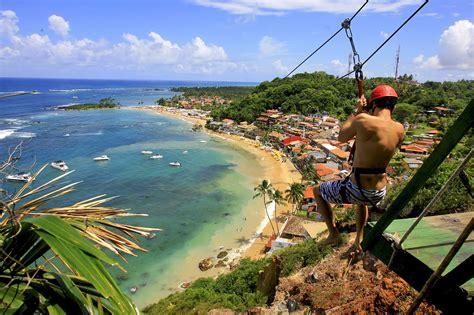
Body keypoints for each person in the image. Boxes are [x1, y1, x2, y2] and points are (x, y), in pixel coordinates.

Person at [313, 84, 405, 253]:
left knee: (317, 191)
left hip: (358, 190)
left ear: (373, 104)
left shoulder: (363, 120)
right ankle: (359, 238)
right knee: (360, 202)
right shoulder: (400, 129)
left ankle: (334, 234)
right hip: (379, 192)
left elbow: (341, 137)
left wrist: (357, 111)